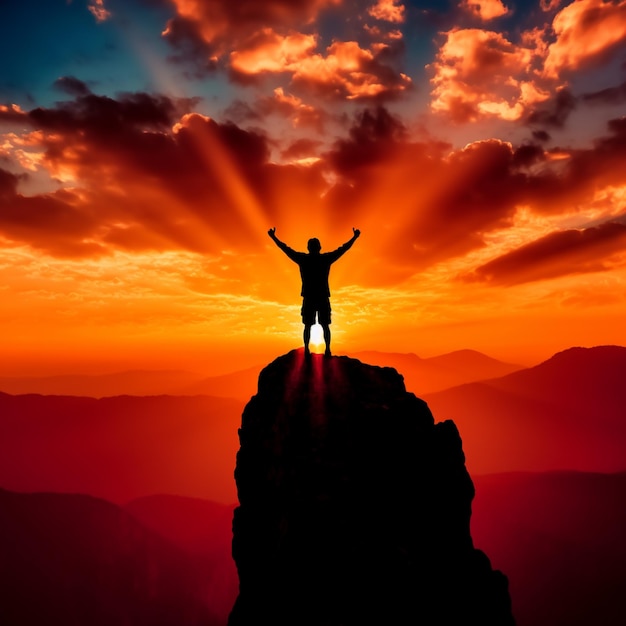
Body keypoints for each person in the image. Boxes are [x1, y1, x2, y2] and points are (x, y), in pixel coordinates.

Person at [268, 227, 361, 357]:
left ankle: (308, 350)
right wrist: (355, 237)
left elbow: (285, 249)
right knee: (324, 325)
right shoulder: (325, 259)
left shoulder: (303, 259)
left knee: (308, 325)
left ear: (308, 248)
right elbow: (343, 249)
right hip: (321, 296)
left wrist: (273, 237)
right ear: (319, 247)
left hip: (310, 296)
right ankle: (327, 350)